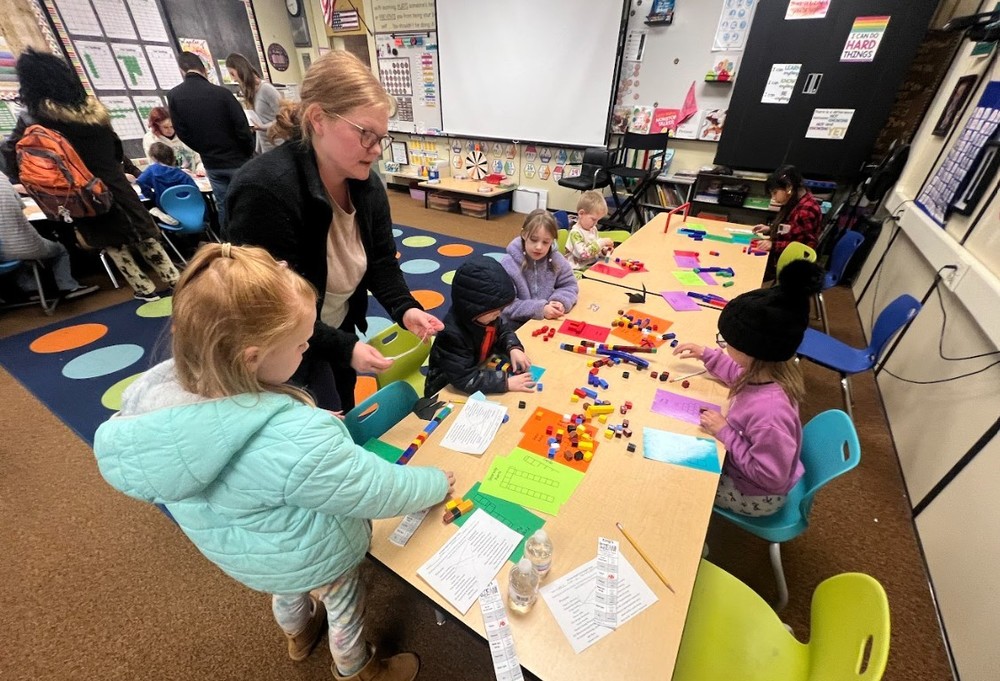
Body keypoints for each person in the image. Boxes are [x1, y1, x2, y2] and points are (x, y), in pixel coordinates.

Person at [92, 243, 453, 681]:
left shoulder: (167, 393)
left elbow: (244, 440)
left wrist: (301, 420)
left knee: (289, 591)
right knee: (344, 602)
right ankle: (359, 668)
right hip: (314, 551)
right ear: (252, 357)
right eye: (301, 343)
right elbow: (377, 490)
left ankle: (299, 634)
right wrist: (436, 482)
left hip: (253, 553)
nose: (307, 349)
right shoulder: (296, 440)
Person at [225, 50, 443, 412]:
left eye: (381, 138)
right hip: (279, 352)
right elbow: (271, 306)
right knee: (308, 427)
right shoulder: (264, 190)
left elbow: (381, 261)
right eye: (366, 134)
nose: (376, 150)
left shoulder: (366, 185)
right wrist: (345, 348)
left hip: (333, 327)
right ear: (318, 119)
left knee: (342, 407)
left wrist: (405, 308)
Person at [1, 49, 178, 302]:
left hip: (82, 190)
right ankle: (174, 279)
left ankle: (144, 289)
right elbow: (116, 149)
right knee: (142, 233)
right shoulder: (93, 112)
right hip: (116, 181)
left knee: (112, 242)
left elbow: (12, 158)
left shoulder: (35, 120)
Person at [672, 260, 823, 517]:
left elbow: (769, 477)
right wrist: (707, 355)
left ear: (750, 352)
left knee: (684, 482)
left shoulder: (770, 414)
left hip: (756, 493)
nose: (723, 345)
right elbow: (737, 375)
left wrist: (725, 432)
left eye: (725, 342)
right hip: (756, 467)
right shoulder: (767, 372)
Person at [424, 256, 535, 397]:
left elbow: (503, 331)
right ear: (473, 309)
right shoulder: (452, 335)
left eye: (500, 309)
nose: (498, 314)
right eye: (493, 311)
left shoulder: (485, 317)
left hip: (477, 368)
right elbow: (464, 378)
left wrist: (513, 348)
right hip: (444, 388)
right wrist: (505, 383)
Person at [167, 52, 254, 229]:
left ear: (182, 70)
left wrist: (203, 150)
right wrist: (247, 152)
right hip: (237, 160)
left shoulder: (174, 96)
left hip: (212, 163)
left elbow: (182, 132)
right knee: (248, 204)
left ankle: (229, 243)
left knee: (224, 206)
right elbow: (242, 128)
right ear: (204, 69)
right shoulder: (222, 94)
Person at [0, 179, 98, 300]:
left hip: (2, 254)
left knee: (16, 257)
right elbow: (21, 206)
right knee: (60, 250)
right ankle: (67, 285)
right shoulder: (3, 179)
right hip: (25, 245)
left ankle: (30, 288)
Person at [500, 208, 578, 326]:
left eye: (545, 242)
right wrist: (540, 309)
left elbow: (569, 285)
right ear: (524, 234)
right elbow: (506, 305)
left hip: (546, 323)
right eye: (534, 239)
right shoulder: (508, 264)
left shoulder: (557, 259)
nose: (539, 247)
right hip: (515, 327)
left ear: (552, 240)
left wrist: (559, 301)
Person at [752, 165, 823, 278]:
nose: (773, 198)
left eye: (775, 192)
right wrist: (771, 229)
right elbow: (793, 229)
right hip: (781, 257)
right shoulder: (795, 200)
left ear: (789, 187)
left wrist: (773, 245)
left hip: (792, 268)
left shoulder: (806, 210)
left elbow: (806, 247)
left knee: (750, 269)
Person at [225, 52, 283, 154]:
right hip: (266, 149)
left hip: (279, 147)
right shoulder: (251, 93)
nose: (233, 79)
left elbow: (284, 118)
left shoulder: (266, 89)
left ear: (240, 69)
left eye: (232, 74)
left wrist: (262, 127)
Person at [142, 106, 204, 175]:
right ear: (156, 126)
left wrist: (201, 167)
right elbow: (156, 166)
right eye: (165, 127)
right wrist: (177, 172)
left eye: (172, 126)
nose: (170, 130)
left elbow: (199, 158)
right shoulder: (150, 139)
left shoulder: (185, 133)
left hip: (194, 175)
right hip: (169, 177)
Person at [135, 142, 198, 208]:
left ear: (153, 158)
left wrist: (152, 196)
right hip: (189, 207)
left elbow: (140, 181)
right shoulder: (181, 173)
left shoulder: (151, 171)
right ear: (172, 156)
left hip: (165, 206)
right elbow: (195, 191)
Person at [564, 189, 613, 270]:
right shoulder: (575, 233)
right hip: (576, 269)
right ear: (581, 213)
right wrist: (601, 242)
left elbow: (595, 251)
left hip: (591, 265)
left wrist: (603, 251)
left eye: (598, 220)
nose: (596, 223)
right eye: (593, 219)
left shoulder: (593, 229)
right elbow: (584, 255)